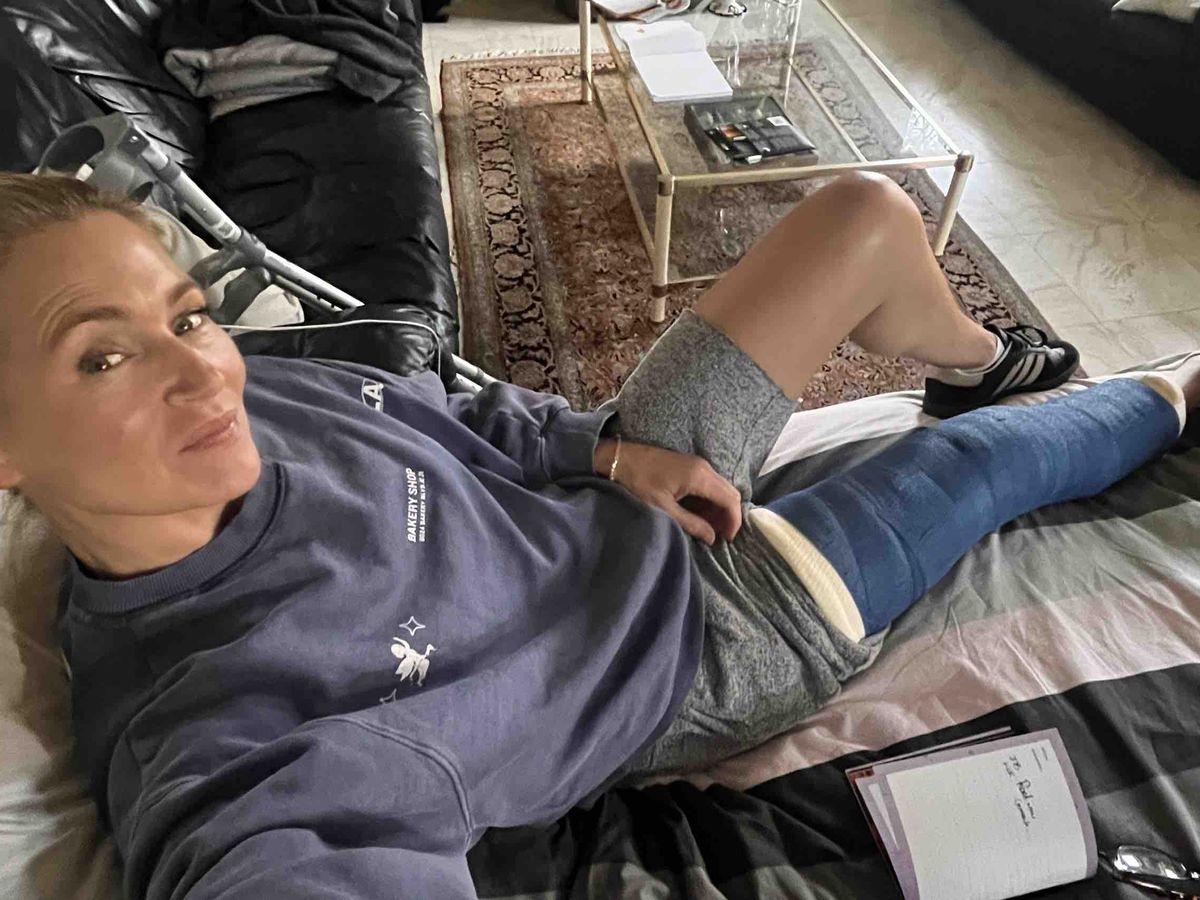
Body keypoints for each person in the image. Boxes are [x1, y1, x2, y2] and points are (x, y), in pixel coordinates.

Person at [0, 169, 1195, 899]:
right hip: (705, 640)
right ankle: (1179, 392)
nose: (202, 374)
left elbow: (456, 414)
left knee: (863, 216)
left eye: (186, 317)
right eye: (100, 357)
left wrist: (605, 453)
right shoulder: (220, 736)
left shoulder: (252, 392)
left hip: (622, 495)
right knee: (970, 467)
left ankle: (988, 363)